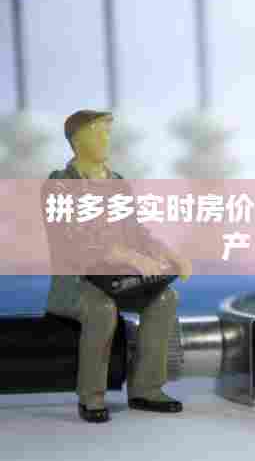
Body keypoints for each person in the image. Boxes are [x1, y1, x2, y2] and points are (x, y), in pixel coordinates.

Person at [43, 110, 192, 423]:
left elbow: (136, 233)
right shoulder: (59, 185)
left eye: (106, 133)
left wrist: (169, 255)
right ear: (76, 140)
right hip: (76, 282)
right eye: (97, 132)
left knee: (165, 298)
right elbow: (73, 240)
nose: (105, 139)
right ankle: (92, 396)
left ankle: (146, 388)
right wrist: (128, 256)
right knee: (101, 308)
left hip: (116, 279)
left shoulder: (117, 184)